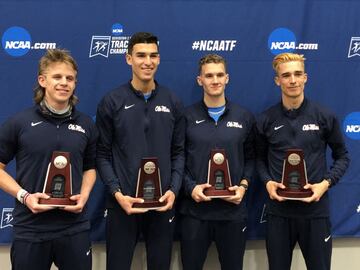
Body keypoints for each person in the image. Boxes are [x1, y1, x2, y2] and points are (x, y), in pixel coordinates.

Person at [0, 49, 98, 270]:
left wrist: (84, 195)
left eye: (70, 78)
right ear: (42, 80)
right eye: (57, 77)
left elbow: (91, 167)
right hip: (30, 229)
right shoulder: (19, 123)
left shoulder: (86, 124)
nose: (64, 83)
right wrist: (24, 196)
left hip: (74, 227)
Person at [96, 32, 185, 270]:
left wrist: (173, 191)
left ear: (159, 58)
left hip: (162, 204)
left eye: (153, 55)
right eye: (141, 55)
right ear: (128, 59)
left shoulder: (173, 101)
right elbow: (102, 154)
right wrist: (116, 192)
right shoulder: (111, 101)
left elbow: (178, 152)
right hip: (123, 204)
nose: (148, 61)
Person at [256, 52, 350, 270]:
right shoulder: (266, 119)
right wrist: (268, 182)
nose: (293, 80)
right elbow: (259, 159)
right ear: (277, 80)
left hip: (315, 211)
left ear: (305, 78)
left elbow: (343, 156)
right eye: (286, 75)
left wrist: (325, 184)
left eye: (298, 74)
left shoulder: (324, 116)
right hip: (279, 212)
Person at [179, 54, 255, 270]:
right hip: (195, 212)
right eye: (209, 75)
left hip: (232, 213)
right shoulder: (186, 117)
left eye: (219, 75)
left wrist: (243, 186)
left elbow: (251, 159)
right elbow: (177, 159)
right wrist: (190, 188)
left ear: (227, 78)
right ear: (199, 80)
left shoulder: (244, 117)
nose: (215, 80)